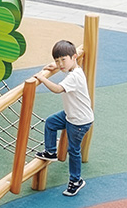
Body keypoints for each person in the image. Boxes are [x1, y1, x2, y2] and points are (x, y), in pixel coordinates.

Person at [34, 40, 94, 197]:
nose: (60, 64)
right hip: (71, 114)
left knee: (73, 150)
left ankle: (76, 180)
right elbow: (64, 67)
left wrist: (42, 78)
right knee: (51, 122)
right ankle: (51, 151)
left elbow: (57, 89)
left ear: (74, 57)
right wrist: (55, 67)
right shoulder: (74, 69)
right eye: (57, 61)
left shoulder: (74, 77)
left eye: (63, 60)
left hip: (79, 121)